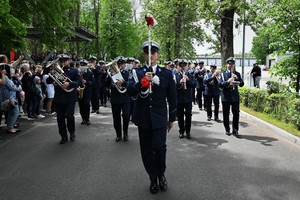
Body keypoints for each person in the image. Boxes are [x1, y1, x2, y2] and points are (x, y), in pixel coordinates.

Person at [127, 41, 177, 194]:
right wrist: (143, 82)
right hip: (143, 117)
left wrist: (171, 118)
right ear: (144, 55)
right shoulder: (137, 72)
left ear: (157, 55)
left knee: (160, 147)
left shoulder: (166, 74)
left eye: (153, 52)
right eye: (148, 53)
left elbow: (172, 97)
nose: (151, 55)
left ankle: (161, 174)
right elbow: (130, 91)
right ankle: (152, 177)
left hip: (160, 117)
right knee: (146, 150)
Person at [46, 54, 81, 144]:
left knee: (69, 116)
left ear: (68, 61)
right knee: (60, 118)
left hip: (70, 98)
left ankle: (72, 131)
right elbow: (48, 81)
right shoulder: (55, 72)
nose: (62, 63)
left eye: (64, 61)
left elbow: (78, 81)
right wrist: (52, 75)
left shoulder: (74, 71)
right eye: (61, 61)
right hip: (59, 98)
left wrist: (69, 84)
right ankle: (63, 136)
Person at [106, 56, 130, 142]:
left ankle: (125, 133)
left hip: (125, 98)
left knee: (126, 116)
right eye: (119, 64)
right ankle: (118, 135)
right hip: (115, 98)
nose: (120, 66)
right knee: (116, 117)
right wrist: (109, 77)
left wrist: (123, 82)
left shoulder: (128, 73)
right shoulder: (111, 73)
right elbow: (106, 84)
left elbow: (130, 84)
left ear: (124, 64)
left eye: (122, 64)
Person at [219, 57, 244, 136]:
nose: (231, 66)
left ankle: (235, 129)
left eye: (232, 64)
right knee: (226, 114)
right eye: (229, 64)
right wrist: (228, 81)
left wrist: (238, 80)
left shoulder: (237, 73)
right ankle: (227, 129)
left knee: (236, 113)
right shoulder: (223, 74)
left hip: (235, 97)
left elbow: (242, 84)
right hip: (226, 97)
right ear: (227, 64)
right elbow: (220, 85)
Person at [175, 59, 196, 139]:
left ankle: (188, 132)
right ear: (178, 67)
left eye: (184, 66)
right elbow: (173, 87)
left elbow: (194, 85)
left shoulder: (190, 75)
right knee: (180, 116)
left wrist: (188, 80)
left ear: (186, 67)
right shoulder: (176, 75)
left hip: (188, 99)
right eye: (181, 66)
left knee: (188, 116)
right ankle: (181, 131)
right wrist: (180, 82)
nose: (183, 68)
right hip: (179, 99)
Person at [78, 59, 94, 125]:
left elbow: (92, 82)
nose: (82, 66)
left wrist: (86, 82)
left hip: (87, 91)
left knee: (87, 105)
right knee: (81, 105)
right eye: (81, 65)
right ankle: (83, 119)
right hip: (80, 90)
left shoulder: (90, 72)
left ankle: (87, 119)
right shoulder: (77, 72)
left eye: (84, 65)